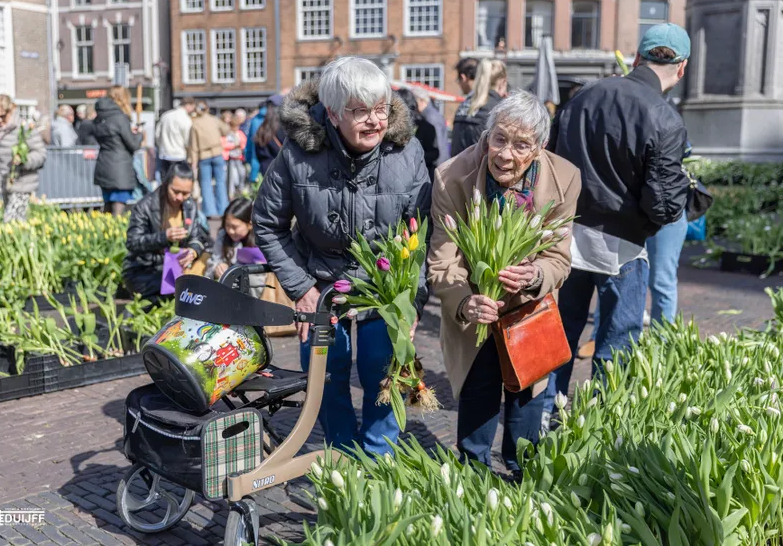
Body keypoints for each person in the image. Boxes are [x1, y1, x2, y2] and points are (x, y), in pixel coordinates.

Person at [253, 57, 431, 456]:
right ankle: (343, 458)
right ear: (332, 114)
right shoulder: (298, 155)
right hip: (320, 282)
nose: (374, 121)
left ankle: (378, 461)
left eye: (381, 108)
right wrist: (301, 288)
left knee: (382, 373)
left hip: (385, 286)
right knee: (327, 379)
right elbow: (267, 222)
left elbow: (420, 230)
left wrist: (412, 298)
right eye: (360, 111)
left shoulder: (407, 152)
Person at [427, 91, 581, 477]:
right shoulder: (452, 177)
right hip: (479, 310)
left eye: (521, 144)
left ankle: (522, 483)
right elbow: (442, 260)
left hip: (530, 313)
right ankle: (473, 481)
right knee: (478, 400)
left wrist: (535, 275)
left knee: (526, 414)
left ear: (540, 146)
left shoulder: (564, 178)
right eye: (499, 139)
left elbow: (559, 258)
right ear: (487, 135)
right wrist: (465, 302)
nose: (506, 155)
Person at [544, 24, 691, 420]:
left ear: (639, 57)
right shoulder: (665, 118)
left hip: (566, 237)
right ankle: (599, 433)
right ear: (681, 69)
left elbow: (551, 167)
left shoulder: (583, 96)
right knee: (616, 347)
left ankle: (542, 427)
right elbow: (663, 206)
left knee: (560, 338)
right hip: (623, 246)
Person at [123, 161, 213, 302]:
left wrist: (193, 252)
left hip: (178, 267)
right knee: (185, 289)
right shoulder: (145, 206)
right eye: (175, 191)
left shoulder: (190, 206)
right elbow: (132, 242)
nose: (179, 197)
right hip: (147, 270)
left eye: (185, 193)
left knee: (207, 263)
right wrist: (164, 237)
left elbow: (197, 238)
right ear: (166, 184)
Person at [92, 86, 144, 217]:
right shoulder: (120, 117)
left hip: (104, 163)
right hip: (119, 166)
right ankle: (117, 235)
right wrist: (139, 135)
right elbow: (132, 144)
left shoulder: (100, 116)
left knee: (108, 206)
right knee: (119, 207)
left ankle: (106, 234)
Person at [450, 58, 508, 157]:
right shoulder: (498, 108)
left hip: (458, 167)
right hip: (480, 169)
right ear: (503, 81)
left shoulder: (465, 104)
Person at [189, 101, 231, 218]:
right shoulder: (214, 119)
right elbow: (226, 130)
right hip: (217, 153)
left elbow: (193, 146)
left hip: (203, 155)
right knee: (220, 182)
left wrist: (193, 162)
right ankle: (223, 209)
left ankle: (209, 211)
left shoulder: (195, 124)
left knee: (206, 183)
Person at [205, 198, 258, 280]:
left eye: (234, 227)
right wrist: (217, 269)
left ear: (250, 224)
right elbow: (214, 260)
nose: (230, 231)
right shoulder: (223, 235)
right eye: (227, 225)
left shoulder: (260, 240)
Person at [397, 89, 441, 180]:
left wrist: (413, 157)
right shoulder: (389, 129)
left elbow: (435, 153)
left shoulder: (427, 126)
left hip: (421, 176)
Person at [156, 97, 196, 180]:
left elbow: (157, 135)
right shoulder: (186, 119)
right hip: (179, 154)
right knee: (177, 181)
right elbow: (188, 139)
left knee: (165, 182)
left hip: (164, 154)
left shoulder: (165, 115)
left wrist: (161, 146)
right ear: (188, 105)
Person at [412, 88, 450, 172]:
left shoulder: (430, 118)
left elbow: (437, 146)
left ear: (421, 101)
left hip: (436, 167)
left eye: (414, 102)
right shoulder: (431, 115)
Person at [245, 95, 280, 183]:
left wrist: (248, 159)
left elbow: (250, 144)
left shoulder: (255, 119)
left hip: (260, 164)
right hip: (278, 166)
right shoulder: (280, 121)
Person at [253, 101, 286, 178]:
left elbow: (258, 152)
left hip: (265, 169)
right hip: (281, 168)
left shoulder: (261, 129)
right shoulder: (283, 129)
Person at [221, 110, 248, 198]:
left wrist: (241, 146)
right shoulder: (227, 134)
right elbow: (223, 144)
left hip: (238, 157)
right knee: (230, 176)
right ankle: (230, 192)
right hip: (230, 157)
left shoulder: (240, 133)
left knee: (242, 173)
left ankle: (241, 188)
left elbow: (244, 143)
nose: (236, 128)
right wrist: (233, 145)